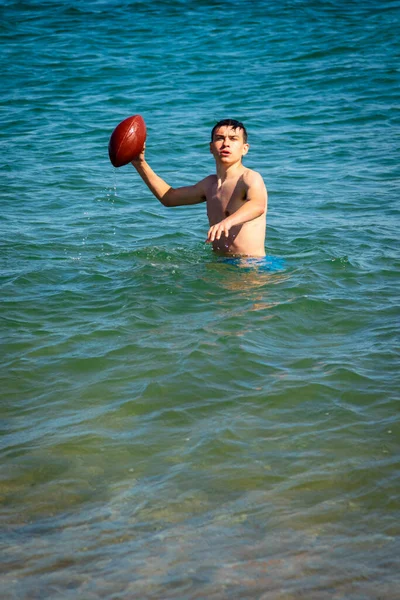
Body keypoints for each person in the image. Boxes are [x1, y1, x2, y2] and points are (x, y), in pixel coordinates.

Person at [131, 119, 267, 257]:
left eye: (233, 139)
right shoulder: (209, 184)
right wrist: (140, 163)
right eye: (220, 138)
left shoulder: (249, 177)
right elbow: (169, 198)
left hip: (251, 265)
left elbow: (257, 206)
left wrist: (227, 222)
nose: (226, 143)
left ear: (245, 148)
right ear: (211, 147)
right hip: (221, 264)